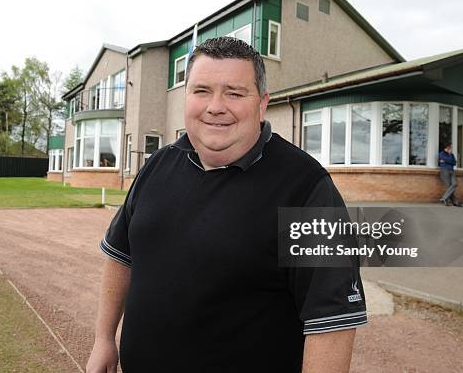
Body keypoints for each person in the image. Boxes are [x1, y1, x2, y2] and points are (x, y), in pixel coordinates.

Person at [86, 37, 366, 373]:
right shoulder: (158, 165)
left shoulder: (306, 188)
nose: (215, 106)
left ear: (262, 103)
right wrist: (104, 337)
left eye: (234, 92)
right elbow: (122, 256)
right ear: (185, 97)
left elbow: (332, 323)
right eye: (201, 91)